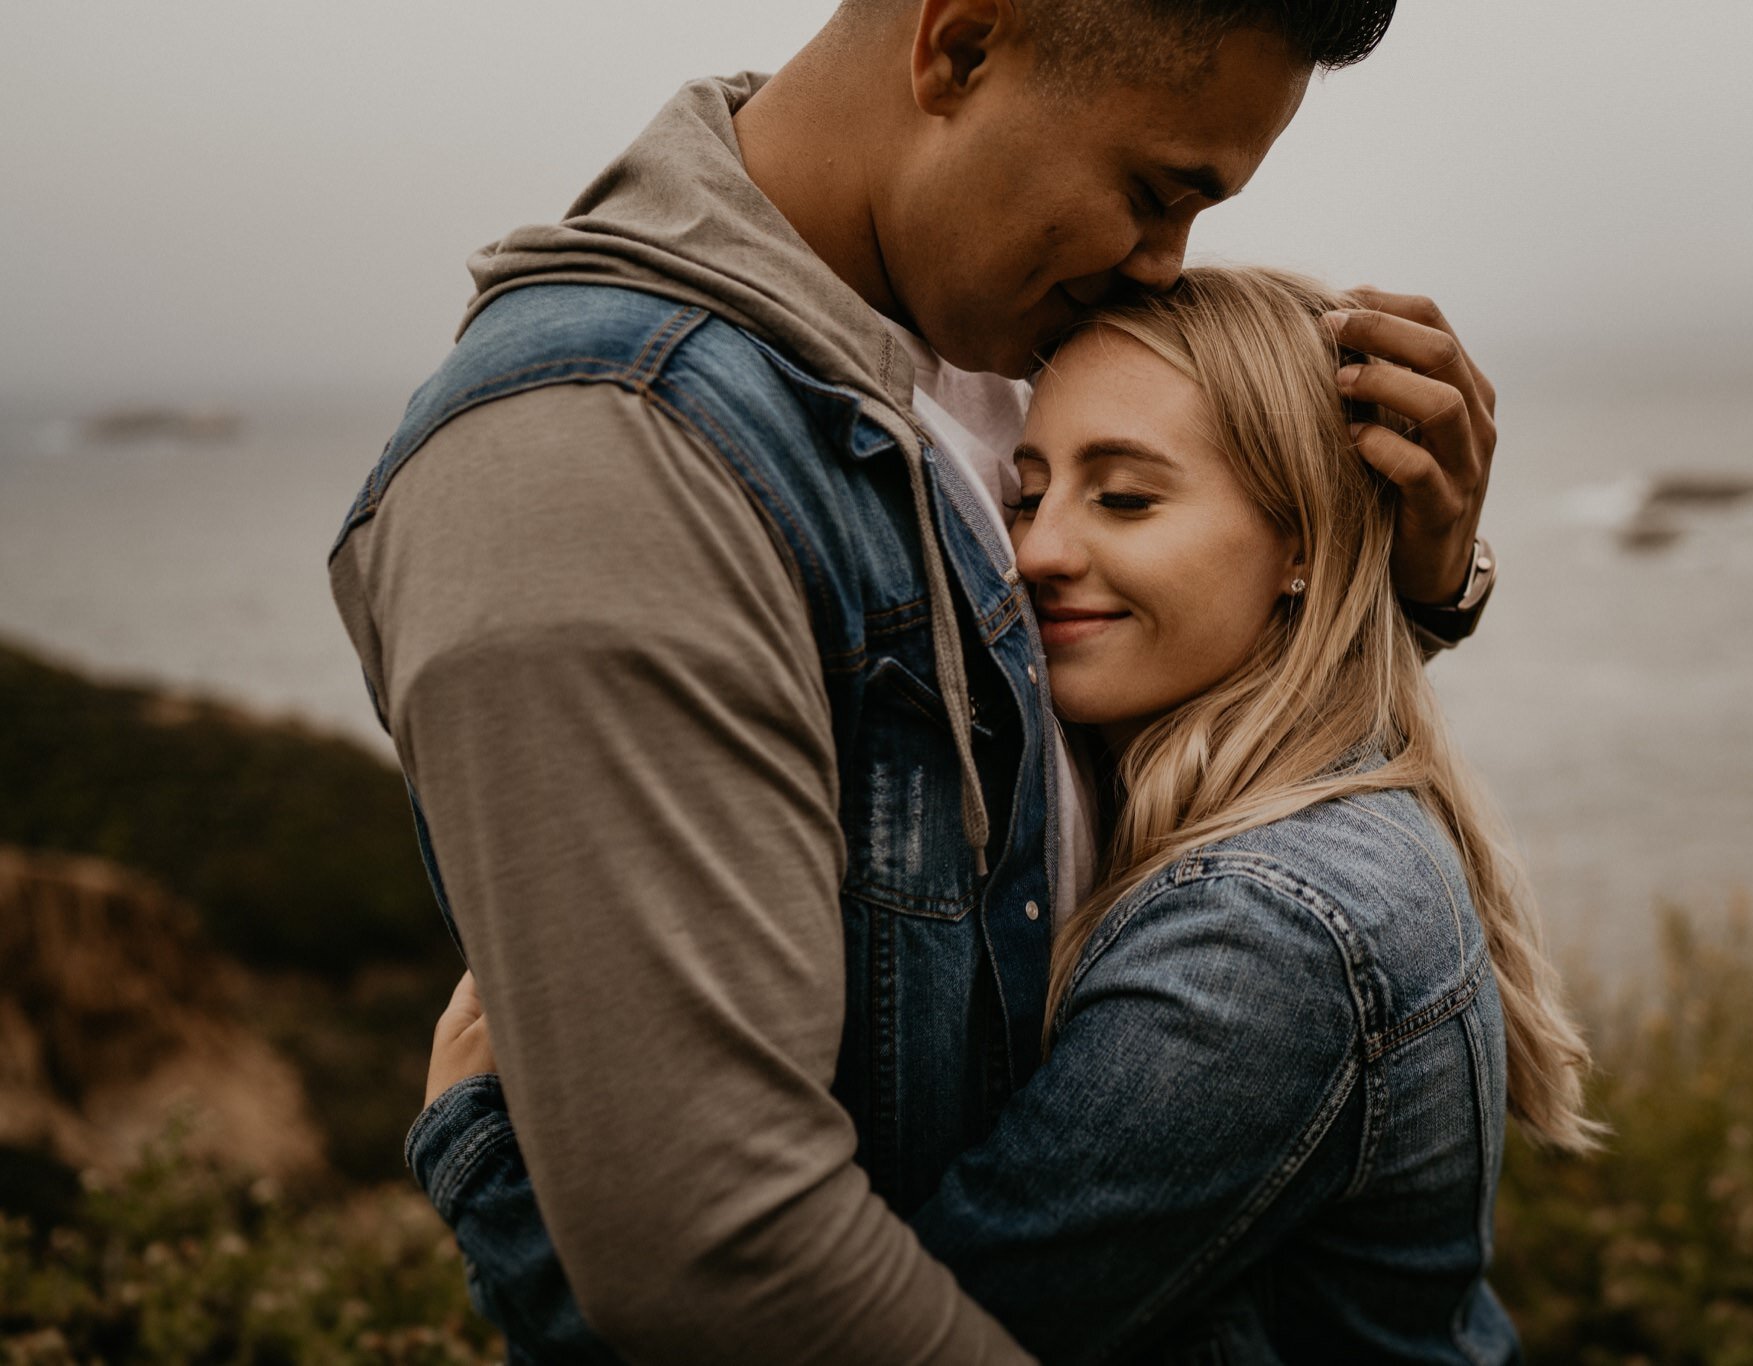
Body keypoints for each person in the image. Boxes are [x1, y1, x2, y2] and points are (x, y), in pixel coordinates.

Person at [329, 0, 1502, 1360]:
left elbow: (1151, 750)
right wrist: (484, 1160)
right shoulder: (597, 462)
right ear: (958, 44)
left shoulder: (985, 327)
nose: (1167, 265)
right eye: (1152, 190)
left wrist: (1401, 589)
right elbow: (725, 1272)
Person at [413, 267, 1597, 1363]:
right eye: (1026, 495)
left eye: (1125, 498)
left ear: (1300, 544)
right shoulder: (1323, 794)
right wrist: (1428, 591)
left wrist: (485, 1164)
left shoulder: (1266, 940)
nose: (1036, 552)